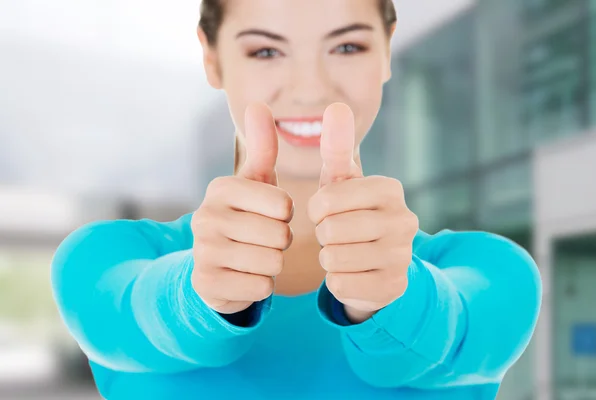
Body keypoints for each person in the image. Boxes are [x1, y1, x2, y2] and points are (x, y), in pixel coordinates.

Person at [51, 0, 542, 399]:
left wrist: (400, 299)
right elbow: (137, 317)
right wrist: (195, 297)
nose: (311, 90)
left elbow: (449, 333)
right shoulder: (103, 259)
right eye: (266, 51)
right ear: (211, 57)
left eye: (347, 45)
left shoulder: (494, 272)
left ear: (387, 50)